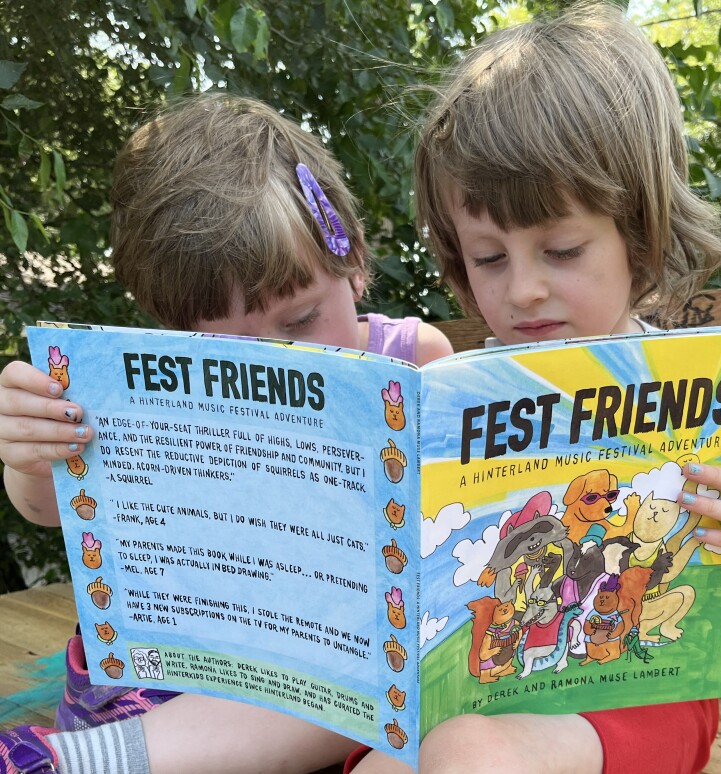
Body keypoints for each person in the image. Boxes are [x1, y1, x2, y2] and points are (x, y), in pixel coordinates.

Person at [343, 4, 721, 773]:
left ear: (639, 234)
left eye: (559, 248)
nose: (523, 289)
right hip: (480, 688)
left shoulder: (699, 402)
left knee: (467, 754)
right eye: (489, 259)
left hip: (640, 701)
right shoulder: (453, 404)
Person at [0, 93, 452, 774]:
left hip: (337, 663)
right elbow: (47, 511)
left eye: (300, 321)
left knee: (399, 672)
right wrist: (33, 450)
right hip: (173, 677)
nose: (277, 359)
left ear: (352, 260)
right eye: (226, 350)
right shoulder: (143, 387)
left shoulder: (413, 360)